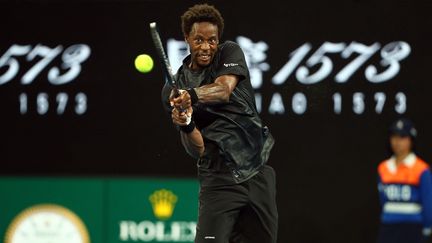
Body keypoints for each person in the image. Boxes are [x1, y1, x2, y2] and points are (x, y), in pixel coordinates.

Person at [161, 3, 278, 243]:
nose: (206, 47)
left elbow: (223, 90)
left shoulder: (229, 53)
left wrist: (191, 96)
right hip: (218, 180)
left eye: (212, 40)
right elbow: (198, 149)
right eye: (199, 40)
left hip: (257, 172)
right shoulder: (171, 90)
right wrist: (186, 123)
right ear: (187, 38)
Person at [377, 118, 432, 243]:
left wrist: (427, 228)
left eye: (403, 137)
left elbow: (428, 203)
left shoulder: (422, 169)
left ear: (411, 140)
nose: (398, 142)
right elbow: (383, 200)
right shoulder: (383, 168)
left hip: (412, 228)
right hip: (388, 228)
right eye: (394, 136)